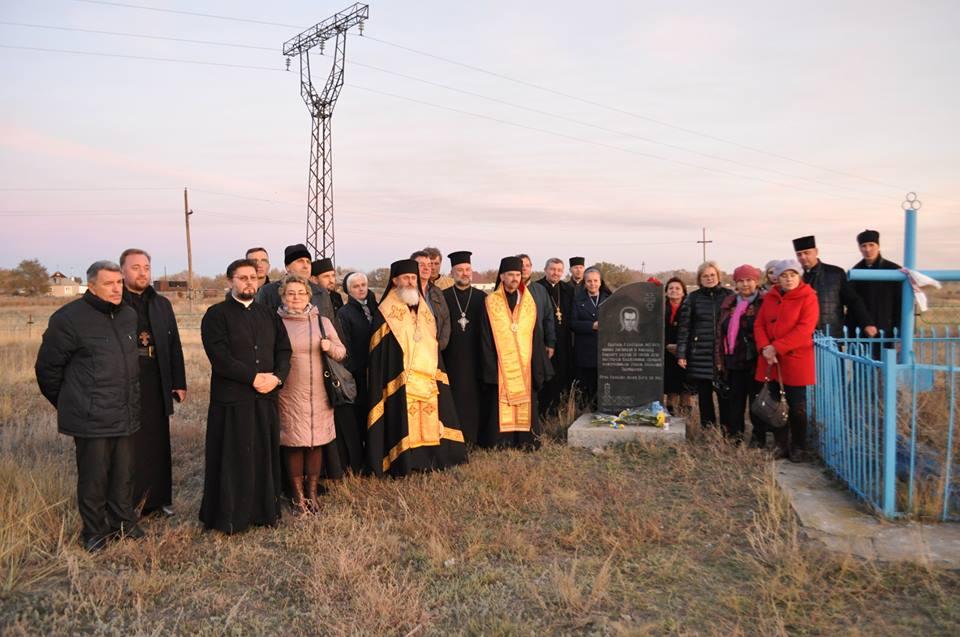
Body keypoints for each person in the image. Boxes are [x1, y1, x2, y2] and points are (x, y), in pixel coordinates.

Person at [35, 260, 143, 552]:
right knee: (94, 478)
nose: (116, 289)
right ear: (91, 286)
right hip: (90, 416)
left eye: (119, 282)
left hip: (125, 411)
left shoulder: (128, 315)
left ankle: (123, 524)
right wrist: (72, 402)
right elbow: (47, 370)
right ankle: (94, 532)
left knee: (124, 474)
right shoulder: (68, 319)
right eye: (109, 284)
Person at [199, 259, 291, 534]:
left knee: (263, 454)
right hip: (233, 399)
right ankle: (231, 516)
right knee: (234, 456)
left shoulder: (269, 314)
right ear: (230, 281)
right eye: (242, 278)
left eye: (253, 277)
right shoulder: (216, 315)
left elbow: (284, 350)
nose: (249, 282)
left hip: (266, 397)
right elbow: (220, 357)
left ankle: (264, 512)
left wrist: (277, 377)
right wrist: (253, 377)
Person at [366, 259, 467, 476]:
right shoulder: (385, 311)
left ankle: (429, 458)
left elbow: (431, 342)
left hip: (428, 377)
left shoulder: (424, 309)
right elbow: (382, 351)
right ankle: (405, 460)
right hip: (399, 378)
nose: (411, 282)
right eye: (406, 278)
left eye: (413, 277)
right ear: (395, 281)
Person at [120, 248, 186, 518]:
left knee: (157, 439)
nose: (142, 273)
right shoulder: (116, 303)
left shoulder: (161, 304)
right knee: (130, 442)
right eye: (135, 267)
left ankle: (158, 499)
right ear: (122, 270)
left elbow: (173, 344)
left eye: (146, 267)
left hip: (156, 376)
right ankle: (130, 501)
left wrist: (179, 381)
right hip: (125, 379)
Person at [277, 274, 347, 514]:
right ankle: (298, 497)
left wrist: (330, 347)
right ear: (283, 297)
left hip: (320, 392)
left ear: (308, 295)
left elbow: (342, 352)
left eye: (300, 293)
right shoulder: (276, 322)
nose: (296, 297)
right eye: (290, 293)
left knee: (316, 443)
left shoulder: (322, 322)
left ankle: (312, 493)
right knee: (293, 443)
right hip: (289, 393)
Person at [479, 257, 551, 449]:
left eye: (518, 274)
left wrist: (537, 364)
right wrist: (490, 367)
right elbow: (485, 337)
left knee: (527, 402)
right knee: (498, 403)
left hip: (525, 364)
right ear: (502, 276)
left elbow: (536, 335)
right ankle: (501, 441)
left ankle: (526, 440)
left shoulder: (528, 302)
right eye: (510, 274)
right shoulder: (490, 302)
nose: (514, 278)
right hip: (500, 364)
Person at [754, 260, 819, 462]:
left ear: (799, 276)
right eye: (784, 275)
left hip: (795, 359)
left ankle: (798, 446)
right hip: (771, 360)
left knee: (797, 406)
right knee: (775, 404)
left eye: (792, 275)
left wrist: (776, 347)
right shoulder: (770, 297)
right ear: (777, 278)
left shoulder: (808, 297)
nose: (788, 279)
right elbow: (759, 324)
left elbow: (805, 329)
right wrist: (765, 347)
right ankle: (780, 444)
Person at [676, 261, 734, 428]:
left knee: (725, 394)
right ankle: (708, 429)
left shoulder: (729, 296)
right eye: (705, 276)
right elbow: (684, 328)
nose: (709, 278)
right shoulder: (692, 298)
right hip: (700, 353)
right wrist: (681, 353)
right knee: (705, 396)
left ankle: (726, 430)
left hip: (723, 353)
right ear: (700, 279)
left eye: (712, 275)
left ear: (718, 276)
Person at [441, 251, 489, 445]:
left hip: (476, 355)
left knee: (474, 397)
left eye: (468, 269)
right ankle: (455, 439)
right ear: (452, 273)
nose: (465, 273)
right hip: (451, 356)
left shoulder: (482, 297)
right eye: (460, 270)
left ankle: (475, 437)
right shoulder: (443, 297)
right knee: (454, 397)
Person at [715, 265, 764, 444]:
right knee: (735, 403)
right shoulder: (729, 303)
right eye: (741, 281)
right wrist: (719, 358)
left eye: (749, 280)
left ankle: (758, 438)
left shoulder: (763, 302)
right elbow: (720, 332)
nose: (745, 284)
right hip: (733, 360)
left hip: (756, 361)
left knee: (756, 403)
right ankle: (735, 437)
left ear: (756, 281)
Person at [793, 235, 873, 338]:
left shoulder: (835, 273)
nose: (803, 257)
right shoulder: (794, 278)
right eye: (799, 254)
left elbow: (853, 301)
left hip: (831, 335)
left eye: (806, 253)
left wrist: (866, 323)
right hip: (803, 336)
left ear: (816, 252)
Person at [337, 271, 376, 463]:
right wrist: (355, 371)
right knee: (361, 415)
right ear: (348, 290)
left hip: (377, 370)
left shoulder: (375, 308)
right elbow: (346, 347)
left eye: (363, 285)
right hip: (359, 374)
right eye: (356, 286)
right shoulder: (345, 313)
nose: (361, 289)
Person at [256, 244, 336, 325]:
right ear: (287, 267)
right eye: (300, 261)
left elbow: (331, 324)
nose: (306, 266)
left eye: (308, 262)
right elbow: (259, 324)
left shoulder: (321, 292)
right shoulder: (268, 292)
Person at [535, 257, 575, 415]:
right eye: (552, 269)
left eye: (559, 270)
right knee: (547, 376)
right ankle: (544, 411)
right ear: (545, 270)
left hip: (564, 340)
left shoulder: (567, 289)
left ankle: (560, 410)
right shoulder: (537, 288)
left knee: (562, 375)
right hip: (545, 341)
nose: (555, 273)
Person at [849, 229, 902, 344]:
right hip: (861, 332)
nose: (868, 249)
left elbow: (900, 303)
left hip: (888, 332)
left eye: (871, 245)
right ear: (859, 248)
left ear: (878, 246)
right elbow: (853, 303)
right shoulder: (855, 272)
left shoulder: (893, 270)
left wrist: (899, 335)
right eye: (864, 246)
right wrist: (865, 323)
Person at [569, 267, 611, 408]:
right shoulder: (577, 300)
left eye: (595, 281)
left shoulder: (609, 298)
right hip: (585, 351)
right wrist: (591, 326)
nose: (592, 284)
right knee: (586, 388)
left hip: (605, 350)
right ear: (584, 282)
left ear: (600, 282)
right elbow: (573, 323)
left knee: (603, 387)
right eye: (589, 281)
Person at [411, 250, 451, 351]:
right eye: (422, 265)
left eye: (429, 265)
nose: (428, 268)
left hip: (435, 349)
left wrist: (439, 346)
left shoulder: (437, 292)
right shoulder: (405, 292)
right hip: (413, 350)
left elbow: (445, 319)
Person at [663, 276, 688, 416]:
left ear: (683, 292)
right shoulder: (660, 307)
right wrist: (667, 345)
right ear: (666, 292)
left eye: (677, 288)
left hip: (685, 352)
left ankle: (686, 417)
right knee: (671, 386)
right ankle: (670, 414)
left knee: (686, 387)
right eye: (671, 288)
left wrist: (682, 347)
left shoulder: (689, 307)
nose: (674, 291)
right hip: (666, 352)